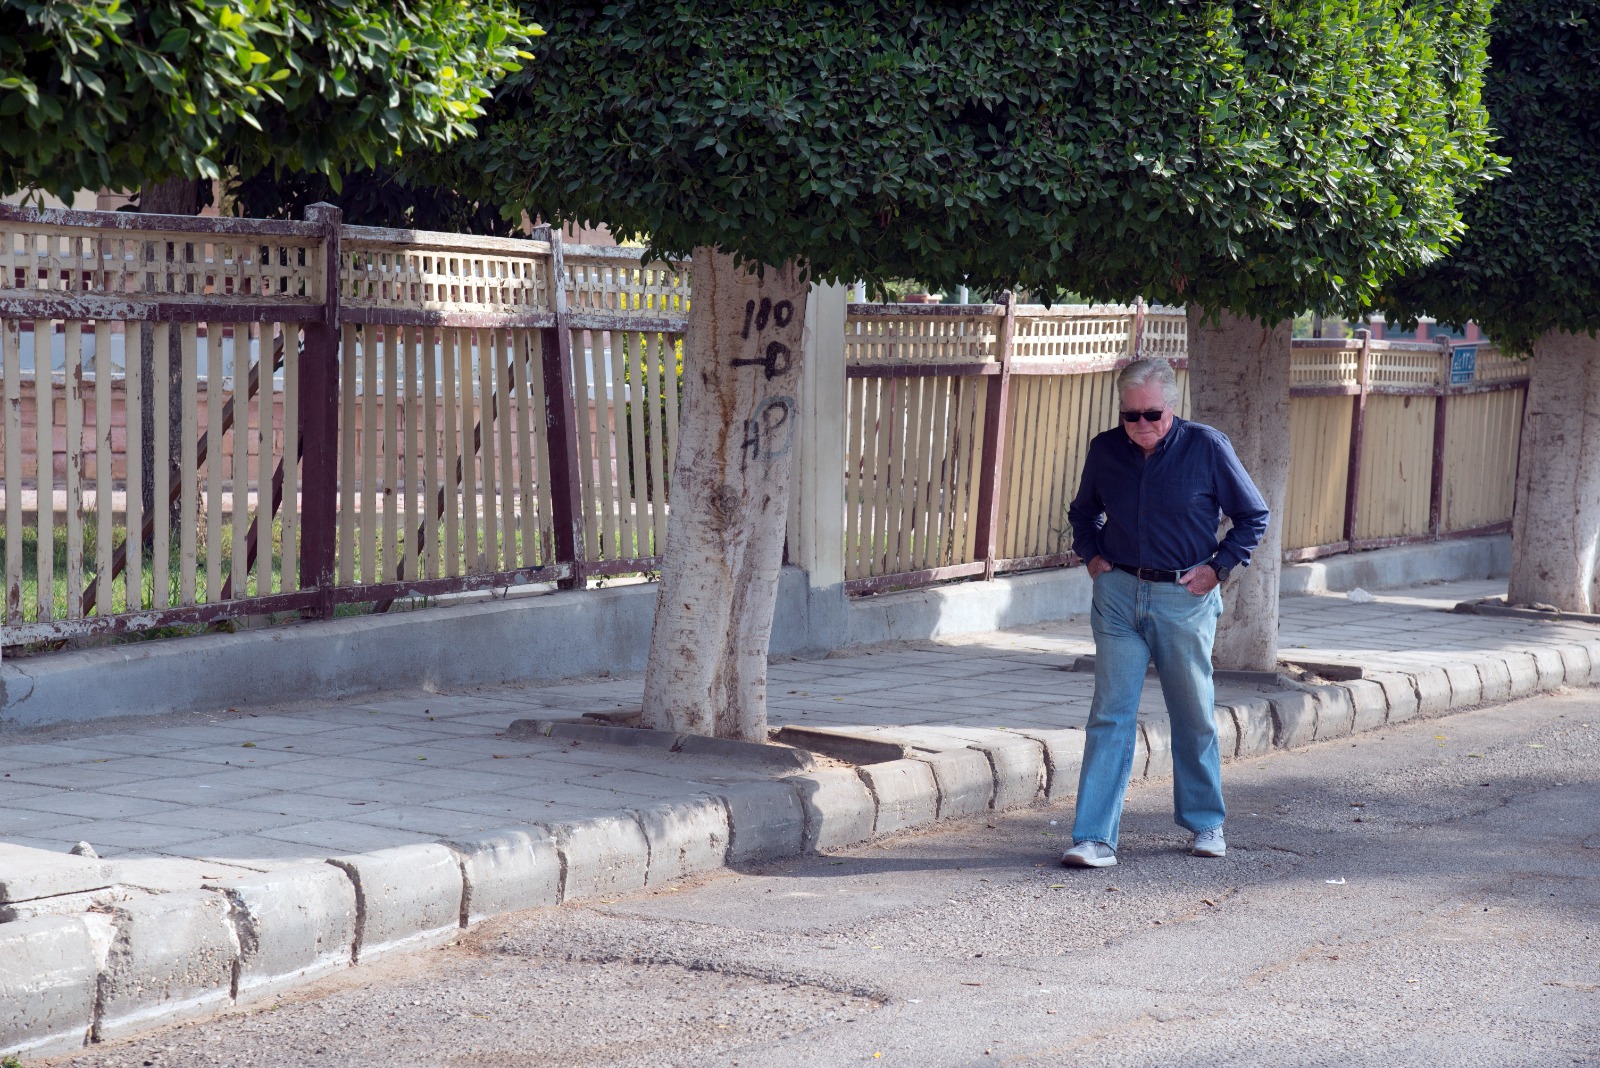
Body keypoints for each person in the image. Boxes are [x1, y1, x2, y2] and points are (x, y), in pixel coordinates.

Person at [1061, 357, 1269, 868]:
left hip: (1184, 598)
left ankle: (1205, 823)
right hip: (1117, 597)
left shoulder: (1207, 447)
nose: (1140, 425)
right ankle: (1093, 837)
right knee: (1110, 714)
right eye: (1130, 415)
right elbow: (1082, 512)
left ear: (1171, 408)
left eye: (1151, 414)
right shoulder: (1105, 450)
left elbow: (1252, 516)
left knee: (1193, 712)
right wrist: (1092, 558)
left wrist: (1218, 569)